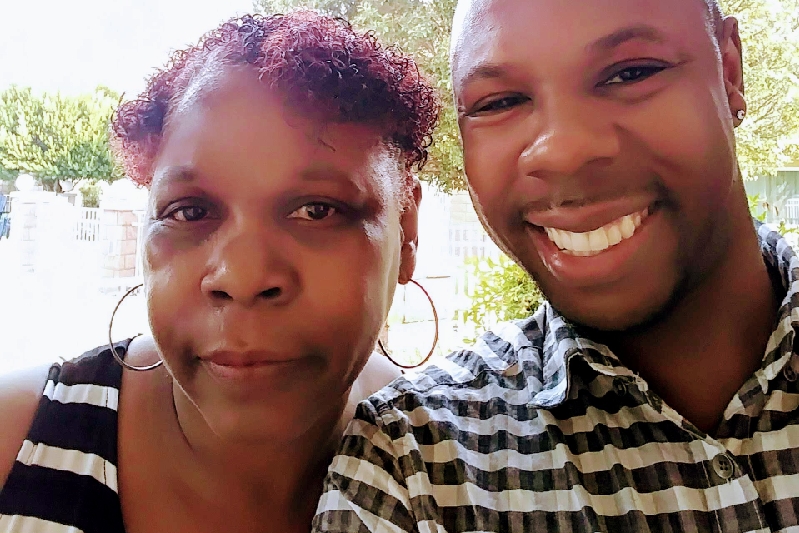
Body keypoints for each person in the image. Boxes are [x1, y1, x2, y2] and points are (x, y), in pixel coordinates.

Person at [313, 0, 799, 531]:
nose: (562, 152)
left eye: (632, 73)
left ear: (729, 70)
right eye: (501, 102)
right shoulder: (415, 465)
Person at [0, 11, 439, 533]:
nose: (243, 277)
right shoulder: (14, 442)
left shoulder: (453, 467)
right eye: (190, 211)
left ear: (406, 231)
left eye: (318, 210)